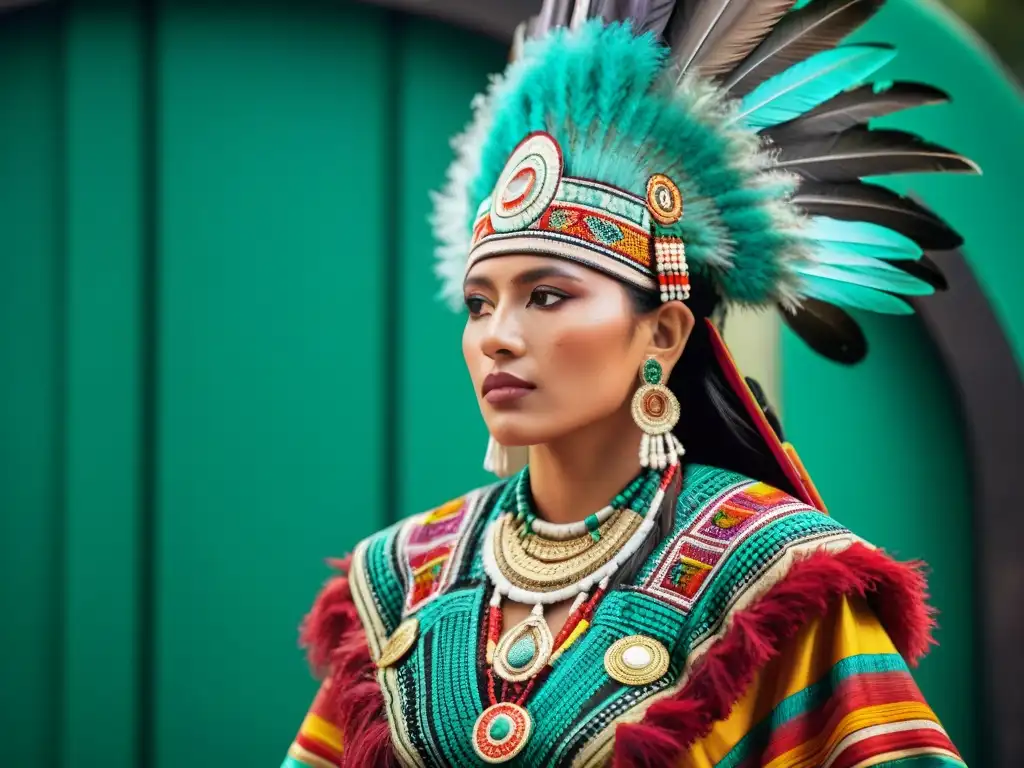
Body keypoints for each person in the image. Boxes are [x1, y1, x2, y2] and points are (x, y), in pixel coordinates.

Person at [282, 1, 976, 766]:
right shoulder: (399, 576)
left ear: (664, 332)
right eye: (480, 304)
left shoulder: (772, 576)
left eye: (548, 296)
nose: (498, 336)